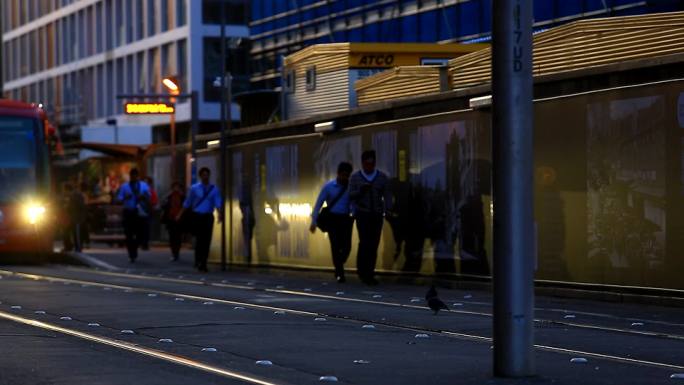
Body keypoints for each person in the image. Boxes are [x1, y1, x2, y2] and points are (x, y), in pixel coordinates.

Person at [349, 150, 392, 285]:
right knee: (365, 242)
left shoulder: (381, 177)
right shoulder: (355, 177)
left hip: (376, 215)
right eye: (367, 163)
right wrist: (360, 191)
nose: (369, 166)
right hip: (362, 214)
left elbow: (387, 195)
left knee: (374, 243)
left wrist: (388, 209)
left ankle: (370, 272)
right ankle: (363, 271)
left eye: (371, 163)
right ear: (362, 163)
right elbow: (350, 195)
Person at [310, 162, 354, 283]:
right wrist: (313, 221)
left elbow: (353, 203)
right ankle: (340, 272)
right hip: (333, 219)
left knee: (347, 247)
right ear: (338, 174)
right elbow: (318, 204)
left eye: (347, 175)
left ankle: (338, 265)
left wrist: (353, 213)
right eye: (344, 175)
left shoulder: (350, 187)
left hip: (346, 218)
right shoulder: (329, 187)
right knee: (335, 245)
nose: (345, 178)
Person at [176, 167, 223, 272]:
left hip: (208, 216)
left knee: (207, 240)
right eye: (204, 175)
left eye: (207, 174)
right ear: (200, 176)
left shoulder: (214, 189)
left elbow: (217, 203)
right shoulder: (194, 188)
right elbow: (188, 202)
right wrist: (180, 214)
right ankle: (198, 260)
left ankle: (204, 262)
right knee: (199, 239)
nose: (205, 177)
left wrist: (220, 214)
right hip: (197, 216)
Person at [116, 168, 151, 263]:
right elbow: (118, 199)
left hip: (140, 212)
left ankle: (136, 246)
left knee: (140, 233)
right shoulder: (124, 187)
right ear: (130, 176)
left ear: (138, 176)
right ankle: (132, 254)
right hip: (129, 212)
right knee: (129, 234)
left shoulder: (144, 185)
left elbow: (149, 197)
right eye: (132, 175)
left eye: (136, 175)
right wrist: (125, 198)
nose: (134, 177)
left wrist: (143, 197)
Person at [161, 181, 186, 261]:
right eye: (174, 187)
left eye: (177, 187)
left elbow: (185, 207)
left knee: (178, 237)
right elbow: (163, 205)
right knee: (172, 237)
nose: (176, 189)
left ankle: (177, 252)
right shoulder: (169, 196)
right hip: (171, 219)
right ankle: (173, 252)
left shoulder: (182, 197)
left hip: (179, 219)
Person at [140, 176, 158, 250]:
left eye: (147, 183)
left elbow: (155, 201)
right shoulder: (140, 191)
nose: (146, 184)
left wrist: (150, 204)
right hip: (140, 212)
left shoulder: (151, 191)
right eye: (145, 183)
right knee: (141, 228)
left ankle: (145, 243)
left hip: (148, 211)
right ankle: (141, 242)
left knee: (147, 228)